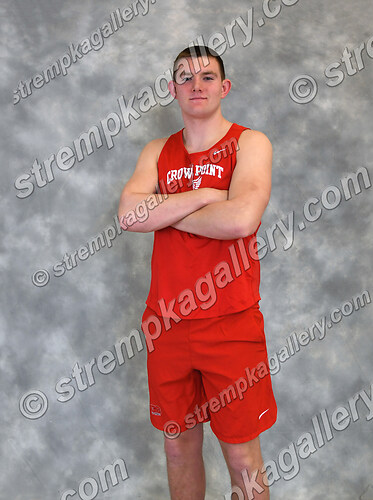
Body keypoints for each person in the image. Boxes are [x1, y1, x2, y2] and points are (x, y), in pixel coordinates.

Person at [118, 45, 277, 500]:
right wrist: (207, 195)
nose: (196, 85)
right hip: (166, 324)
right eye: (185, 77)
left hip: (230, 323)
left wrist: (163, 212)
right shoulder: (157, 150)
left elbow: (241, 219)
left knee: (242, 456)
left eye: (207, 77)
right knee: (177, 447)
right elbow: (128, 214)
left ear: (224, 87)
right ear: (173, 89)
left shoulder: (250, 143)